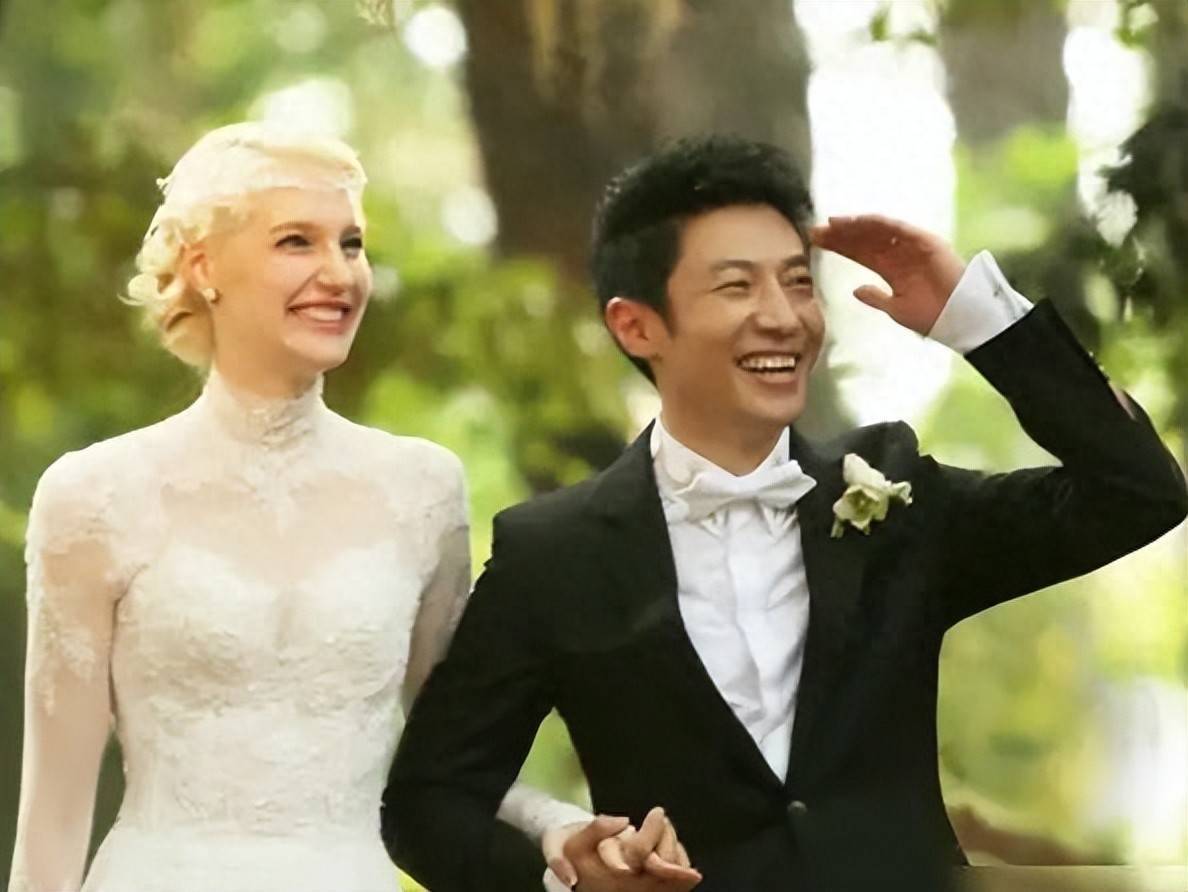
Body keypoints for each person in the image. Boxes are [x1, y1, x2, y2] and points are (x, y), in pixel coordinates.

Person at [384, 136, 1188, 892]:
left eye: (798, 282)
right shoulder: (551, 553)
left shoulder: (899, 498)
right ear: (636, 324)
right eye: (738, 286)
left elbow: (1138, 493)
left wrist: (980, 319)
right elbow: (429, 801)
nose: (784, 316)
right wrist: (568, 876)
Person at [6, 122, 608, 892]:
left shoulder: (423, 489)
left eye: (351, 244)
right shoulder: (93, 495)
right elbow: (53, 822)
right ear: (204, 266)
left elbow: (453, 760)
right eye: (297, 242)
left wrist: (557, 823)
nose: (339, 274)